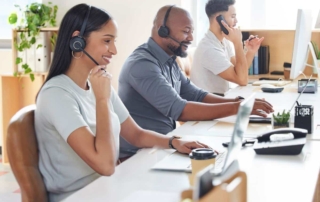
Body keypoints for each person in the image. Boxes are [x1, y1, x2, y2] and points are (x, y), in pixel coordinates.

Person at [35, 4, 209, 201]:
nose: (115, 50)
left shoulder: (97, 84)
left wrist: (174, 142)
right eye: (107, 41)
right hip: (81, 195)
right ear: (78, 40)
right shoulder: (56, 95)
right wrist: (102, 100)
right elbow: (105, 165)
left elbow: (135, 134)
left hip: (110, 187)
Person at [118, 5, 273, 158]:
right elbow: (180, 111)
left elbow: (195, 94)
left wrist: (239, 102)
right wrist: (238, 108)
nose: (191, 38)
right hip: (139, 155)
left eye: (191, 32)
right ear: (162, 30)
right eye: (186, 32)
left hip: (166, 144)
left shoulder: (168, 58)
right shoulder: (142, 64)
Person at [190, 0, 264, 95]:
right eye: (233, 16)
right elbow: (242, 80)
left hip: (220, 99)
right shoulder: (209, 49)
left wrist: (250, 52)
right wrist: (237, 43)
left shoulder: (223, 41)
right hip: (209, 105)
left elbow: (239, 70)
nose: (236, 21)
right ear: (219, 19)